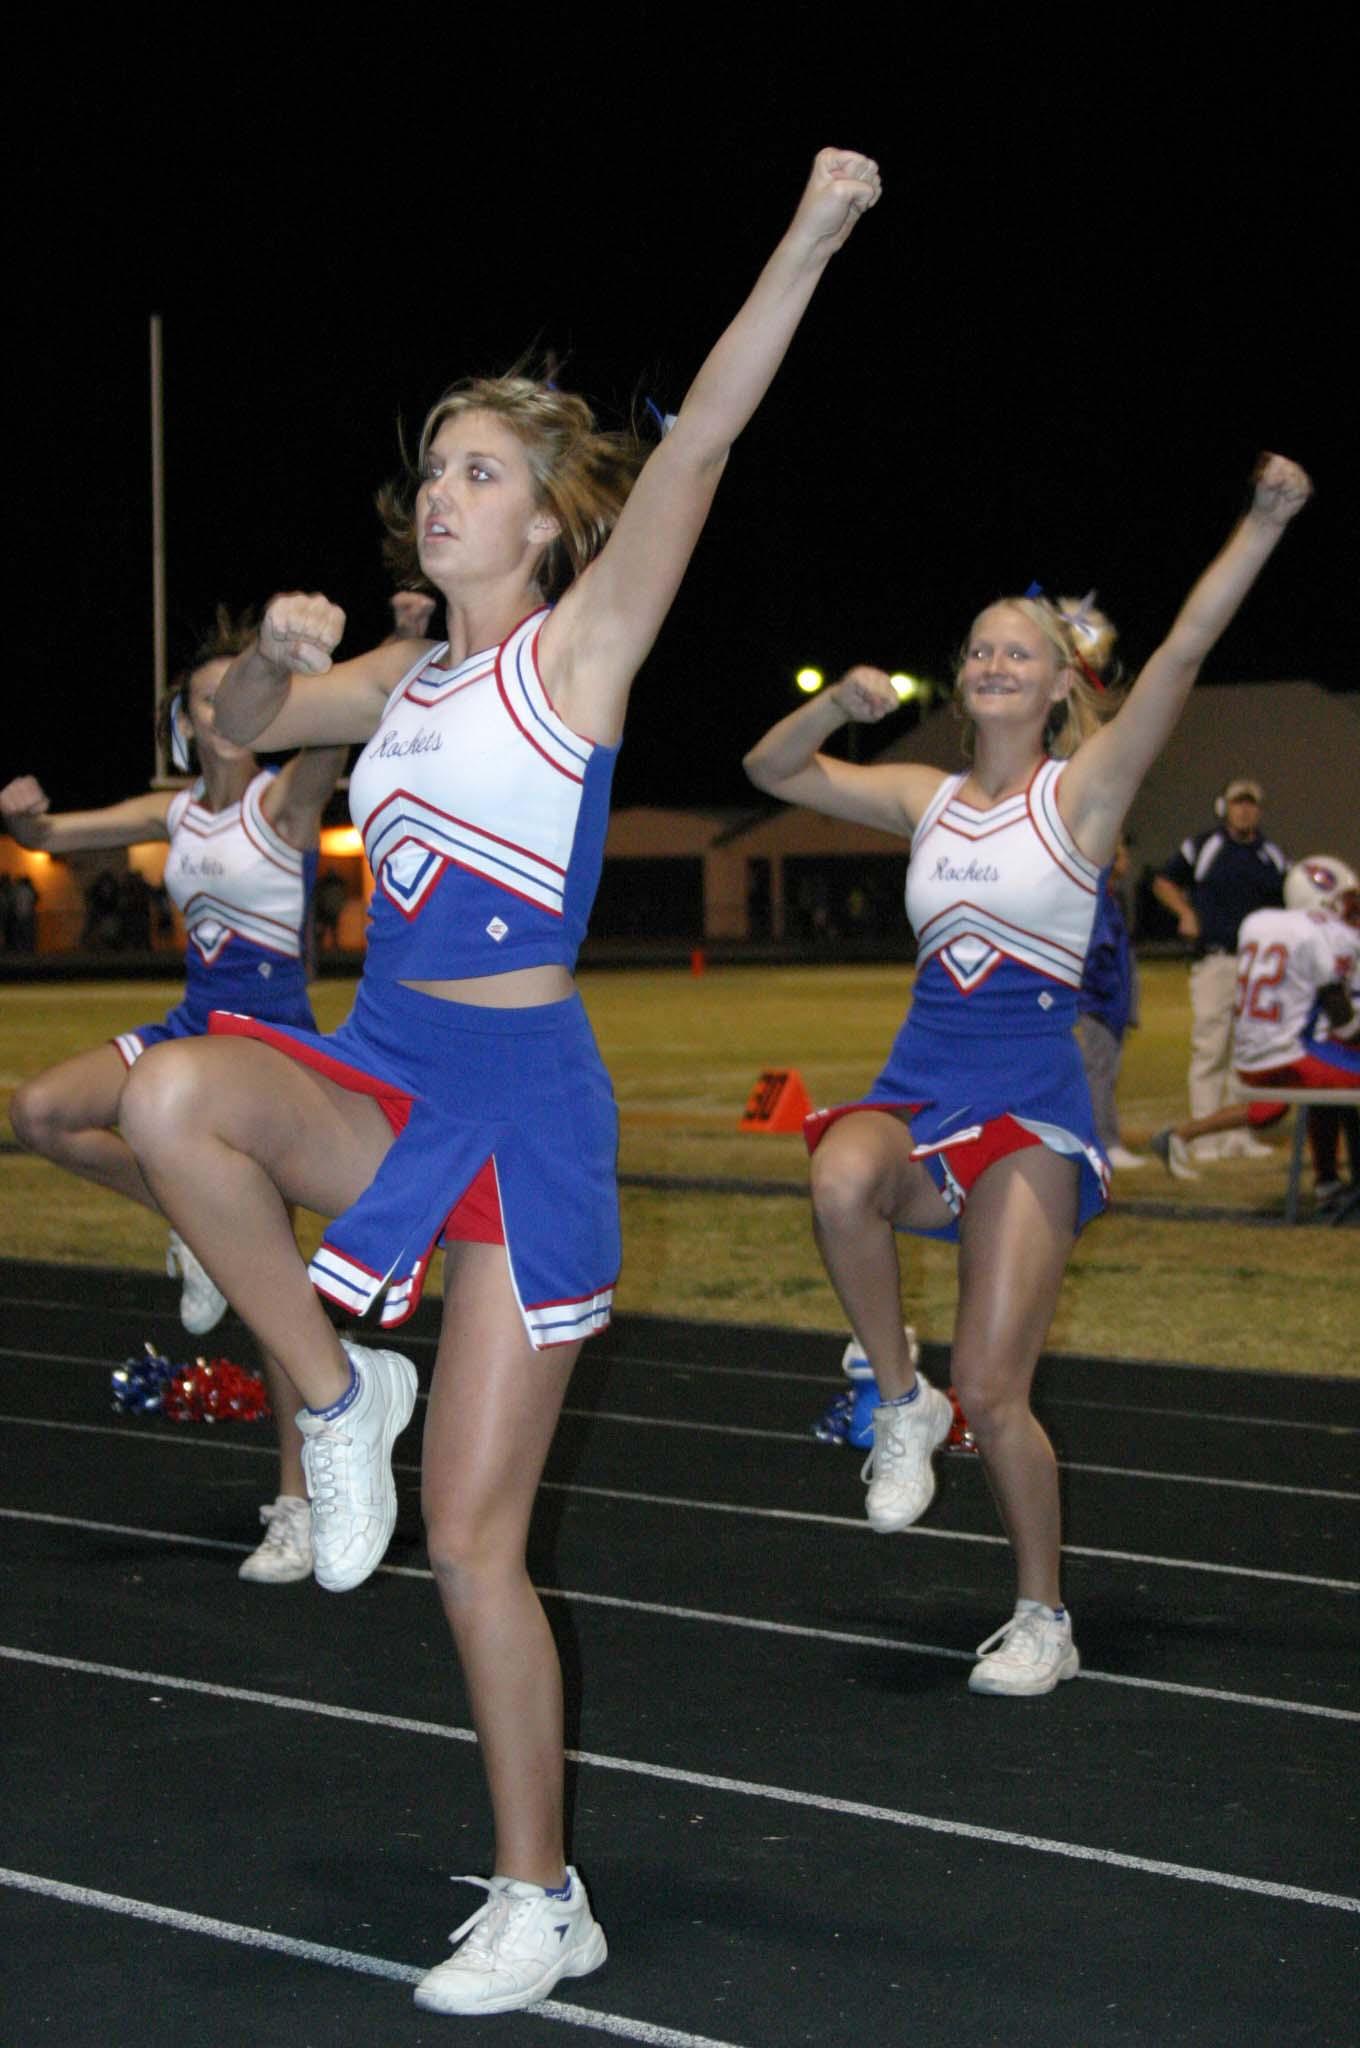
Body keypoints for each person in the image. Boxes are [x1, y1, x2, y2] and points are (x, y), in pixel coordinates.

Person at [115, 148, 882, 2017]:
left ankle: (545, 1896)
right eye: (437, 469)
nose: (445, 492)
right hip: (387, 1063)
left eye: (480, 471)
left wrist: (810, 232)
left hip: (524, 1100)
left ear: (544, 524)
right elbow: (235, 733)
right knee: (166, 1104)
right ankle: (336, 1388)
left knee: (473, 1546)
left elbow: (703, 441)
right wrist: (265, 662)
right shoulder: (399, 684)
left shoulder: (577, 653)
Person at [743, 455, 1312, 1699]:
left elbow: (1182, 651)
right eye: (980, 649)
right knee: (837, 1176)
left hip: (1030, 1103)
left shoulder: (1082, 794)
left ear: (1061, 683)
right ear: (962, 677)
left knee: (998, 1390)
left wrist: (1260, 525)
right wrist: (835, 703)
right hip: (919, 1077)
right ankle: (900, 1397)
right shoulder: (926, 796)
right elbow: (770, 770)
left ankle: (1043, 1613)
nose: (994, 662)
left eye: (1020, 650)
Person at [2, 609, 348, 1583]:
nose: (226, 710)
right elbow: (47, 834)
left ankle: (300, 1505)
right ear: (187, 724)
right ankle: (192, 1217)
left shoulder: (284, 801)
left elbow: (335, 734)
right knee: (38, 1112)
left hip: (269, 1054)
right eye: (206, 700)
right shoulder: (176, 813)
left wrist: (342, 658)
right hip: (190, 1027)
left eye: (243, 693)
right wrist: (21, 815)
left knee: (273, 1293)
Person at [1150, 854, 1360, 1188]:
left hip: (1252, 1055)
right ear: (1322, 901)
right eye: (1345, 902)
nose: (1350, 911)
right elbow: (1344, 1023)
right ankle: (1329, 1181)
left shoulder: (1257, 923)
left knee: (1275, 1109)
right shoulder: (1322, 934)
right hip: (1289, 1056)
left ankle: (1329, 1182)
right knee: (1336, 1083)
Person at [1152, 774, 1287, 1160]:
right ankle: (1204, 1136)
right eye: (1238, 803)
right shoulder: (1203, 846)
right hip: (1217, 959)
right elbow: (1164, 881)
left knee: (1246, 1052)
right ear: (1225, 807)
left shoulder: (1271, 854)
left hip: (1256, 968)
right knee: (1211, 1048)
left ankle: (1238, 1135)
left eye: (1250, 804)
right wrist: (1185, 912)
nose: (1244, 810)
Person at [1078, 837, 1145, 1168]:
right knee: (1100, 1072)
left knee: (1106, 1071)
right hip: (1099, 1002)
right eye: (1119, 853)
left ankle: (1103, 1138)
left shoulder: (1110, 897)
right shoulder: (1096, 899)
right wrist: (1105, 995)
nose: (1126, 858)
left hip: (1109, 1000)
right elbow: (1096, 954)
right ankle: (1104, 1142)